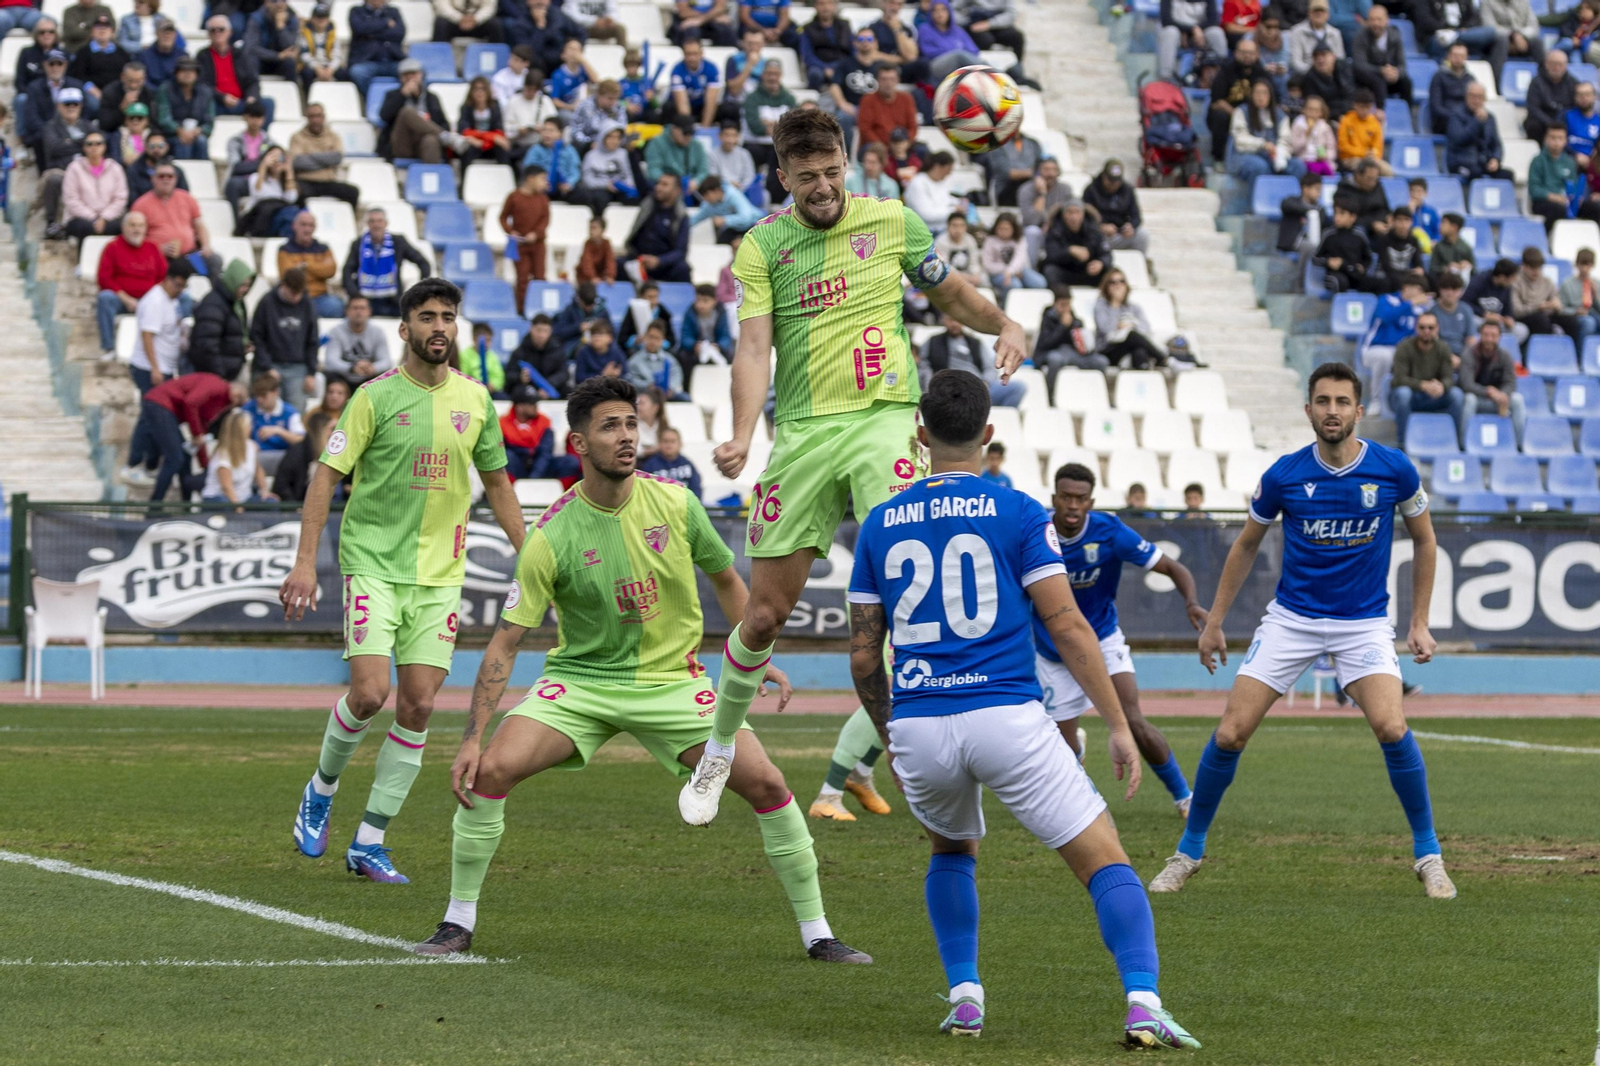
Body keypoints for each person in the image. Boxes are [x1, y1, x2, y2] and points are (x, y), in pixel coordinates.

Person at [411, 372, 877, 964]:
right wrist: (473, 738)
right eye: (610, 427)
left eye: (632, 423)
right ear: (578, 444)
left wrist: (758, 659)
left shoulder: (677, 504)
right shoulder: (549, 536)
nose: (627, 436)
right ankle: (457, 923)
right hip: (580, 685)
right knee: (489, 774)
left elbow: (730, 581)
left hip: (674, 685)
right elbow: (504, 644)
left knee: (770, 786)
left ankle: (819, 934)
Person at [679, 108, 1030, 829]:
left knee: (910, 596)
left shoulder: (891, 222)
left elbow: (949, 290)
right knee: (765, 613)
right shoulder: (762, 248)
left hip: (883, 420)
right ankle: (720, 747)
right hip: (804, 432)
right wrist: (743, 434)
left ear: (848, 162)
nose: (824, 187)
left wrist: (1007, 324)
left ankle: (930, 743)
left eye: (833, 171)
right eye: (807, 177)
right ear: (782, 178)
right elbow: (752, 348)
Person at [844, 370, 1200, 1047]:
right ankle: (1144, 1002)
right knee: (1105, 859)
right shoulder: (1018, 512)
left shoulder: (881, 522)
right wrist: (1119, 725)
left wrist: (892, 736)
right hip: (1006, 714)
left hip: (920, 721)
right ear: (988, 434)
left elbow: (865, 656)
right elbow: (1067, 625)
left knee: (951, 851)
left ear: (919, 436)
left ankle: (966, 996)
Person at [1147, 362, 1454, 902]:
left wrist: (1419, 621)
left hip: (1362, 623)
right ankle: (1188, 853)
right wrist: (1214, 622)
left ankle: (1429, 855)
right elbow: (1245, 545)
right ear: (1308, 410)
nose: (1332, 410)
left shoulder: (1394, 470)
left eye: (1342, 402)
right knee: (1229, 734)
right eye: (1322, 401)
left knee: (1391, 726)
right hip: (1292, 620)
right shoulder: (1285, 475)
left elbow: (1425, 541)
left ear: (1358, 411)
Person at [281, 278, 527, 884]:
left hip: (440, 576)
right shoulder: (373, 397)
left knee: (417, 707)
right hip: (373, 565)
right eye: (427, 317)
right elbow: (325, 478)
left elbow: (497, 485)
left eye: (448, 316)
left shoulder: (475, 401)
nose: (438, 326)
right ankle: (320, 789)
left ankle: (370, 840)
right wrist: (306, 561)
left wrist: (532, 556)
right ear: (405, 328)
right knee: (369, 695)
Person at [1033, 460, 1205, 814]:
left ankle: (1184, 797)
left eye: (1081, 498)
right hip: (1054, 650)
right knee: (1060, 745)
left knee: (1133, 720)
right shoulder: (1036, 532)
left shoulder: (1110, 532)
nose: (1073, 505)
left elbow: (1171, 566)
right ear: (1055, 498)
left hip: (1103, 639)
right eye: (1066, 497)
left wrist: (1191, 602)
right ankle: (1080, 776)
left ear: (1091, 502)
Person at [120, 373, 247, 499]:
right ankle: (154, 507)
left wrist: (205, 465)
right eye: (238, 399)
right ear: (236, 393)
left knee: (185, 457)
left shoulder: (220, 399)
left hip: (165, 409)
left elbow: (200, 428)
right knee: (175, 459)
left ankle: (186, 505)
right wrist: (197, 434)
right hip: (160, 405)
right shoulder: (218, 386)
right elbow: (191, 403)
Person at [94, 211, 166, 357]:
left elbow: (163, 278)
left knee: (183, 298)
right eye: (132, 225)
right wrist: (126, 299)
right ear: (123, 227)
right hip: (121, 300)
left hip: (149, 300)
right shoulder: (112, 247)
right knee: (104, 298)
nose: (137, 229)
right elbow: (104, 279)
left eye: (141, 225)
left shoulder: (153, 248)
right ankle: (109, 348)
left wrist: (151, 300)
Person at [251, 268, 320, 414]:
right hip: (269, 365)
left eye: (299, 294)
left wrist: (311, 372)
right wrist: (267, 366)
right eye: (293, 293)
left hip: (297, 366)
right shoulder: (267, 302)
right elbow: (257, 337)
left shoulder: (307, 304)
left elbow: (312, 340)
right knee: (266, 408)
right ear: (283, 285)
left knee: (295, 412)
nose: (296, 298)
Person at [1389, 310, 1464, 444]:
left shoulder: (1443, 348)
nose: (1426, 331)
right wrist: (1424, 385)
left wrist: (1442, 386)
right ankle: (1403, 443)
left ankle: (1454, 441)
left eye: (1431, 327)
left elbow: (1449, 378)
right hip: (1412, 396)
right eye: (1422, 327)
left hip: (1435, 395)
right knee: (1403, 393)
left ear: (1437, 329)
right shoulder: (1404, 346)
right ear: (1416, 328)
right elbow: (1398, 379)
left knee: (1456, 395)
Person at [343, 207, 433, 316]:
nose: (376, 225)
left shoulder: (398, 242)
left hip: (393, 301)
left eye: (379, 221)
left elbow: (423, 263)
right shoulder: (358, 244)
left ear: (386, 223)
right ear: (367, 224)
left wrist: (419, 291)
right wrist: (355, 295)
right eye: (372, 221)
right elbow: (347, 270)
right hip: (365, 301)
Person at [923, 312, 1027, 407]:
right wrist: (932, 385)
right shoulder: (933, 342)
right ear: (944, 320)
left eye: (958, 320)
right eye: (951, 320)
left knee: (1017, 388)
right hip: (950, 390)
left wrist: (985, 382)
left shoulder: (975, 343)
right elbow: (923, 366)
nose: (954, 324)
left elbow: (989, 367)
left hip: (978, 387)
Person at [130, 161, 211, 270]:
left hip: (190, 254)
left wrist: (206, 245)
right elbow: (134, 236)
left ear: (176, 179)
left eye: (170, 176)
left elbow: (199, 224)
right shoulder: (141, 205)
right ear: (152, 179)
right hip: (158, 257)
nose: (166, 179)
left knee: (213, 261)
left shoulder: (187, 198)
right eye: (161, 176)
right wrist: (158, 248)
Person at [187, 257, 256, 382]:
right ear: (233, 280)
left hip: (233, 370)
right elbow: (207, 345)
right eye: (243, 284)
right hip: (217, 376)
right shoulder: (213, 304)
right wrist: (220, 376)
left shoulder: (237, 302)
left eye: (249, 285)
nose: (246, 289)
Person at [378, 58, 457, 162]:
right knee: (407, 112)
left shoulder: (431, 98)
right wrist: (403, 94)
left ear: (420, 75)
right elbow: (384, 116)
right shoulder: (393, 95)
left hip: (422, 143)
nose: (410, 78)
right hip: (401, 143)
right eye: (406, 75)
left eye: (413, 74)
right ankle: (445, 137)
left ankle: (431, 176)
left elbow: (443, 123)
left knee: (431, 140)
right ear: (401, 78)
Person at [1458, 319, 1526, 438]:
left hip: (1498, 399)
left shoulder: (1505, 356)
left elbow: (1510, 382)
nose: (1489, 339)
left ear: (1499, 337)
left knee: (1517, 400)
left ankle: (1519, 444)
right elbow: (1466, 384)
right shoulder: (1469, 354)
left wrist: (1503, 394)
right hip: (1478, 397)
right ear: (1480, 336)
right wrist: (1488, 392)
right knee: (1469, 399)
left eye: (1493, 336)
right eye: (1486, 335)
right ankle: (1465, 441)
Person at [131, 258, 190, 393]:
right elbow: (147, 335)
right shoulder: (155, 301)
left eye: (183, 286)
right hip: (149, 369)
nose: (180, 290)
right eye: (178, 285)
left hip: (166, 368)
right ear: (168, 279)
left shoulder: (172, 300)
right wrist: (155, 368)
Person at [198, 16, 272, 122]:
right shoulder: (202, 56)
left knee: (268, 104)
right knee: (203, 106)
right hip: (217, 103)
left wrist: (251, 97)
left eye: (221, 29)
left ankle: (257, 138)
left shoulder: (240, 54)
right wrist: (222, 97)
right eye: (213, 30)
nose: (217, 33)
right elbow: (203, 85)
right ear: (208, 34)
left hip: (242, 102)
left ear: (230, 32)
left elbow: (252, 81)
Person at [1208, 37, 1268, 167]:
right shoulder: (1225, 70)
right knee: (1219, 116)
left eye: (1251, 53)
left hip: (1255, 115)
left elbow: (1271, 100)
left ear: (1257, 54)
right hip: (1229, 114)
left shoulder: (1262, 73)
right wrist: (1239, 115)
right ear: (1236, 53)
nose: (1247, 56)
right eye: (1243, 52)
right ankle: (1219, 159)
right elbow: (1217, 101)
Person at [742, 60, 796, 203]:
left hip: (778, 145)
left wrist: (769, 125)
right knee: (752, 152)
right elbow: (755, 126)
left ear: (781, 75)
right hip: (756, 144)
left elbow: (792, 126)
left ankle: (779, 199)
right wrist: (778, 125)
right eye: (769, 74)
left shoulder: (788, 98)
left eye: (776, 74)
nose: (772, 77)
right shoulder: (752, 98)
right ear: (763, 75)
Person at [623, 173, 692, 284]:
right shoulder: (648, 204)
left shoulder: (681, 216)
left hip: (664, 266)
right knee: (617, 264)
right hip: (639, 261)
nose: (658, 187)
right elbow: (640, 182)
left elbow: (680, 251)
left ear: (676, 191)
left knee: (682, 269)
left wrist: (659, 261)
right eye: (658, 183)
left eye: (664, 185)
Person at [497, 383, 576, 478]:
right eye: (531, 404)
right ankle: (508, 491)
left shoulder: (544, 422)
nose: (536, 406)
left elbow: (545, 454)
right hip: (517, 467)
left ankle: (563, 492)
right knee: (507, 456)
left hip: (540, 467)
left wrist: (534, 478)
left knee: (570, 462)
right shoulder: (503, 423)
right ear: (519, 407)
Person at [289, 103, 361, 208]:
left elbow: (337, 158)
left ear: (323, 117)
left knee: (352, 192)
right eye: (312, 116)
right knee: (297, 194)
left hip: (328, 182)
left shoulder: (333, 136)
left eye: (318, 116)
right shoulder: (297, 137)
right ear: (307, 118)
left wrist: (309, 155)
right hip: (306, 182)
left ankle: (349, 222)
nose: (315, 120)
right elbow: (298, 162)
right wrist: (326, 161)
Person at [61, 129, 127, 242]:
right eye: (89, 144)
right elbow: (71, 199)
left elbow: (120, 198)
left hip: (108, 218)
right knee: (85, 228)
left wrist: (104, 217)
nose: (94, 147)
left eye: (98, 143)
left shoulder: (115, 168)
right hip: (80, 218)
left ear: (104, 146)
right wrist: (93, 218)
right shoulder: (74, 168)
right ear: (84, 147)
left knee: (123, 228)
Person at [1231, 78, 1303, 181]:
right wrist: (1262, 144)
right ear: (1251, 94)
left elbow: (1285, 140)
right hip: (1246, 155)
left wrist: (1279, 153)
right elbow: (1240, 139)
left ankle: (1290, 196)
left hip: (1274, 154)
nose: (1261, 97)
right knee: (1259, 167)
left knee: (1298, 166)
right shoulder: (1241, 111)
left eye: (1265, 93)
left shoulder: (1280, 115)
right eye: (1257, 93)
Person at [1093, 270, 1167, 370]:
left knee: (1140, 351)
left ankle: (1141, 378)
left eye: (1121, 281)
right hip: (1108, 350)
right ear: (1107, 286)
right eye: (1113, 282)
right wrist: (1115, 304)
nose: (1117, 286)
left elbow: (1146, 329)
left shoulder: (1134, 308)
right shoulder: (1101, 306)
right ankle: (1163, 358)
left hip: (1129, 349)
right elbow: (1106, 330)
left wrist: (1132, 325)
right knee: (1131, 335)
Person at [1530, 125, 1600, 229]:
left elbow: (1574, 186)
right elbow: (1534, 190)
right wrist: (1555, 197)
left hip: (1567, 202)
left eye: (1560, 138)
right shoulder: (1537, 161)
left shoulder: (1570, 162)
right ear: (1546, 138)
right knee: (1558, 209)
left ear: (1565, 140)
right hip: (1544, 202)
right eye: (1553, 137)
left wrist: (1576, 199)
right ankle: (1547, 239)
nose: (1556, 142)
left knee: (1594, 208)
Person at [501, 166, 550, 313]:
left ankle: (539, 310)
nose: (545, 183)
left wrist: (536, 234)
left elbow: (545, 220)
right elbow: (503, 217)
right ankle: (522, 310)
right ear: (530, 178)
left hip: (538, 245)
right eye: (542, 179)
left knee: (539, 277)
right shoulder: (514, 197)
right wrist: (511, 232)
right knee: (522, 279)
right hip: (519, 245)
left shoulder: (543, 199)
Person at [278, 211, 342, 318]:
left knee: (337, 306)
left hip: (319, 298)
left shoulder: (323, 249)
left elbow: (330, 270)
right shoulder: (284, 250)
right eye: (303, 224)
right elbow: (288, 275)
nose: (307, 229)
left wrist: (305, 266)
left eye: (310, 225)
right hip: (295, 297)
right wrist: (317, 271)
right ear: (294, 226)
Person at [1512, 246, 1583, 342]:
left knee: (1571, 321)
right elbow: (1517, 311)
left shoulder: (1547, 282)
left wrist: (1556, 305)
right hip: (1527, 317)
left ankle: (1571, 352)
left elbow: (1557, 302)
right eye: (1532, 268)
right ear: (1524, 266)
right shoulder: (1515, 282)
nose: (1536, 272)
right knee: (1541, 319)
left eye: (1539, 268)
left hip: (1546, 315)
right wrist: (1538, 307)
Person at [1035, 286, 1100, 386]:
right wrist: (1062, 326)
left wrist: (1076, 327)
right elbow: (1046, 343)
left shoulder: (1074, 319)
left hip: (1071, 353)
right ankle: (1049, 396)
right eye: (1062, 305)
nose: (1066, 308)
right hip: (1051, 352)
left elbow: (1080, 341)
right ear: (1055, 303)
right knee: (1055, 360)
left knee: (1100, 361)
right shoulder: (1047, 318)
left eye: (1068, 304)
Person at [152, 57, 213, 161]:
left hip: (195, 134)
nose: (187, 74)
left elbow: (209, 124)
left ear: (197, 74)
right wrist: (179, 131)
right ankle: (180, 175)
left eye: (191, 71)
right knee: (183, 143)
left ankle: (203, 174)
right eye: (183, 71)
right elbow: (164, 119)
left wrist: (197, 131)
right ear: (176, 73)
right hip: (170, 135)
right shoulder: (165, 89)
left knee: (201, 141)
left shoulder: (206, 92)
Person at [1082, 160, 1149, 254]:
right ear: (1103, 176)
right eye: (1110, 180)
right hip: (1099, 234)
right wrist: (1100, 227)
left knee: (1142, 236)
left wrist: (1131, 226)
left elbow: (1136, 216)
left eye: (1117, 181)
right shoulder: (1091, 190)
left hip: (1120, 233)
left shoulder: (1127, 190)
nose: (1114, 184)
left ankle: (1141, 263)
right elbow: (1084, 218)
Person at [1041, 199, 1111, 290]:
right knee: (1050, 271)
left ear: (1083, 214)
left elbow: (1106, 254)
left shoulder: (1094, 229)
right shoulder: (1054, 230)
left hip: (1089, 272)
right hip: (1065, 271)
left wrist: (1101, 263)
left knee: (1110, 272)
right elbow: (1051, 255)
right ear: (1063, 214)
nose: (1074, 217)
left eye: (1077, 212)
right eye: (1069, 212)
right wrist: (1069, 250)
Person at [1350, 4, 1412, 104]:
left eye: (1379, 19)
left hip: (1389, 79)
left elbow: (1402, 65)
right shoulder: (1360, 36)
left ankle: (1407, 114)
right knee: (1377, 81)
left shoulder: (1395, 36)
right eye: (1372, 20)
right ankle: (1379, 112)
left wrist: (1396, 72)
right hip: (1368, 80)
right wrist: (1380, 71)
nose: (1376, 23)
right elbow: (1359, 65)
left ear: (1387, 20)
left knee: (1406, 82)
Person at [324, 295, 393, 382]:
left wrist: (373, 368)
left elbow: (386, 361)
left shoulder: (378, 332)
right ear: (346, 311)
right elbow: (330, 361)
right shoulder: (335, 331)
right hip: (343, 379)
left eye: (362, 308)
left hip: (369, 379)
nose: (359, 312)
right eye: (355, 308)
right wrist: (351, 368)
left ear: (369, 311)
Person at [1446, 81, 1507, 181]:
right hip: (1460, 163)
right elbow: (1459, 139)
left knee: (1506, 175)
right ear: (1466, 97)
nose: (1476, 100)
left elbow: (1496, 144)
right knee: (1475, 173)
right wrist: (1477, 122)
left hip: (1482, 163)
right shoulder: (1456, 115)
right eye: (1473, 96)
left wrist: (1496, 159)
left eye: (1480, 97)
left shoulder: (1489, 118)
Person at [346, 0, 406, 97]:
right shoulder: (357, 11)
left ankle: (404, 100)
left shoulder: (393, 11)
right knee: (357, 72)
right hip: (367, 62)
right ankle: (374, 98)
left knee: (417, 70)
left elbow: (399, 33)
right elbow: (360, 29)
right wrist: (385, 23)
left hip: (393, 61)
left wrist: (372, 34)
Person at [982, 212, 1046, 303]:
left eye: (1006, 229)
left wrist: (1010, 271)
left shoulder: (1020, 239)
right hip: (997, 273)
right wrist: (1008, 271)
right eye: (1001, 228)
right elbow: (987, 264)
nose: (1003, 231)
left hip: (1017, 270)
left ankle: (1031, 305)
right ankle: (1005, 308)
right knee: (1014, 285)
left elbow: (1019, 259)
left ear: (1013, 228)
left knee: (1040, 283)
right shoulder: (990, 240)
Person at [273, 409, 335, 502]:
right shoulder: (297, 452)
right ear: (321, 430)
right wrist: (294, 506)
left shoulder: (333, 452)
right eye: (330, 429)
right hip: (298, 505)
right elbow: (281, 486)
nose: (333, 433)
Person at [1313, 197, 1373, 293]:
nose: (1337, 217)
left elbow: (1368, 258)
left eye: (1342, 213)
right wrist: (1328, 262)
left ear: (1353, 217)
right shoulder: (1328, 234)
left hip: (1353, 273)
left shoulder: (1360, 235)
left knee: (1376, 283)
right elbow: (1315, 258)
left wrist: (1363, 267)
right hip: (1334, 275)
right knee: (1340, 282)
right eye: (1335, 213)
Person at [577, 123, 640, 212]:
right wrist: (605, 185)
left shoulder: (623, 154)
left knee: (634, 199)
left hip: (621, 188)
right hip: (600, 189)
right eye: (611, 137)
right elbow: (587, 179)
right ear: (603, 137)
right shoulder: (591, 155)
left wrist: (627, 184)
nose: (614, 141)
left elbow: (629, 174)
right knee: (599, 199)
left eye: (617, 137)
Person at [904, 151, 970, 235]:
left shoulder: (941, 182)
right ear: (937, 166)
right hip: (924, 231)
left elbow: (945, 200)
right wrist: (953, 210)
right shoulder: (918, 183)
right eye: (948, 170)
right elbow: (926, 214)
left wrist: (959, 202)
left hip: (943, 229)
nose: (949, 174)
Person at [1159, 0, 1228, 80]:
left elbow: (1213, 20)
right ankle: (1165, 77)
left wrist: (1198, 30)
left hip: (1201, 33)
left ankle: (1222, 74)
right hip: (1179, 32)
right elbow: (1166, 21)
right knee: (1169, 32)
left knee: (1216, 32)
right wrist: (1191, 30)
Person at [237, 144, 295, 237]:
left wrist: (289, 171)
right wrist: (263, 166)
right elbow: (258, 195)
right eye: (272, 157)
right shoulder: (255, 177)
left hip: (278, 218)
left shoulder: (285, 182)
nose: (276, 161)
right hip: (259, 218)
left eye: (279, 157)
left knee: (292, 212)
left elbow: (291, 199)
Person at [678, 283, 733, 378]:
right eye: (698, 300)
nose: (701, 305)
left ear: (714, 301)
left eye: (705, 301)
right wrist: (694, 345)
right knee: (683, 356)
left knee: (730, 354)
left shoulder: (720, 313)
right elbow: (685, 337)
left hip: (715, 347)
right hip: (696, 348)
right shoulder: (690, 313)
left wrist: (719, 346)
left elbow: (725, 336)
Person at [456, 74, 513, 167]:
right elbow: (464, 131)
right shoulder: (466, 108)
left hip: (491, 145)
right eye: (476, 89)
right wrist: (489, 137)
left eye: (483, 89)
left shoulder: (495, 107)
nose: (479, 92)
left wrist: (487, 140)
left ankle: (505, 178)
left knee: (503, 148)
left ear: (488, 91)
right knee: (467, 150)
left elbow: (499, 130)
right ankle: (465, 180)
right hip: (474, 144)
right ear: (471, 92)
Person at [918, 0, 980, 83]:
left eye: (943, 9)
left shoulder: (958, 30)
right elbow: (929, 52)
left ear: (949, 12)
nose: (940, 13)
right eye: (935, 10)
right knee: (958, 56)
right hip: (935, 65)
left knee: (962, 58)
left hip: (959, 66)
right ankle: (992, 71)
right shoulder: (925, 29)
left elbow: (974, 50)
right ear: (930, 13)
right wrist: (954, 52)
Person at [644, 114, 710, 191]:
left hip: (691, 189)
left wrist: (696, 181)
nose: (688, 137)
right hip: (666, 187)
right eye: (685, 133)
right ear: (674, 129)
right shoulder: (657, 143)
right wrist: (669, 181)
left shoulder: (697, 145)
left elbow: (704, 171)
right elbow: (653, 170)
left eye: (691, 133)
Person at [520, 118, 582, 200]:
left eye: (551, 131)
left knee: (582, 195)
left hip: (563, 189)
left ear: (560, 133)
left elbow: (575, 171)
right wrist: (542, 183)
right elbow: (529, 169)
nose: (546, 134)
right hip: (542, 189)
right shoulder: (535, 149)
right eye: (544, 130)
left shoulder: (570, 150)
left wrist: (569, 184)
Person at [244, 371, 305, 453]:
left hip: (282, 456)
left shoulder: (290, 412)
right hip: (255, 453)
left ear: (276, 393)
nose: (259, 400)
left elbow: (300, 440)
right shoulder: (248, 408)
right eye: (257, 395)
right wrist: (249, 444)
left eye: (263, 395)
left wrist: (279, 431)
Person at [509, 313, 569, 396]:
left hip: (553, 387)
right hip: (528, 389)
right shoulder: (520, 351)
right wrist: (520, 377)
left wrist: (548, 385)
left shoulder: (558, 350)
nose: (541, 335)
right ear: (531, 329)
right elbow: (509, 374)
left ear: (550, 331)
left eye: (545, 331)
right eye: (538, 330)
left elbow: (563, 373)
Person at [626, 319, 688, 398]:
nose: (653, 341)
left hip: (667, 394)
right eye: (651, 337)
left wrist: (670, 388)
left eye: (657, 338)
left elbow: (677, 376)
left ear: (662, 340)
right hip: (644, 395)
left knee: (685, 398)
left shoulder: (670, 360)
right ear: (644, 337)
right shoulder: (634, 361)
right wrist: (647, 386)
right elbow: (631, 380)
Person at [1370, 206, 1426, 292]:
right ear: (1393, 221)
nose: (1403, 224)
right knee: (1390, 282)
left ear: (1411, 222)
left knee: (1428, 279)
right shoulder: (1383, 240)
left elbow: (1418, 262)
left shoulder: (1414, 240)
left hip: (1405, 275)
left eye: (1406, 220)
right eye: (1399, 220)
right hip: (1386, 276)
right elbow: (1386, 267)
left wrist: (1419, 269)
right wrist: (1409, 273)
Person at [1524, 49, 1576, 143]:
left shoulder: (1573, 82)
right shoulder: (1536, 82)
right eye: (1553, 63)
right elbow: (1533, 108)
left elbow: (1575, 105)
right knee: (1533, 125)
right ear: (1546, 64)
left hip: (1564, 120)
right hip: (1542, 121)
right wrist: (1551, 124)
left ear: (1566, 66)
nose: (1557, 67)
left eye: (1560, 64)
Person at [69, 14, 131, 92]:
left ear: (112, 32)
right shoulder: (83, 53)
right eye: (98, 26)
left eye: (106, 26)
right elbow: (78, 75)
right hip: (90, 92)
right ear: (92, 31)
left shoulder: (122, 53)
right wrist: (91, 89)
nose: (102, 29)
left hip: (117, 92)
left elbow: (127, 74)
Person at [638, 424, 702, 498]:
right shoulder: (650, 465)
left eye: (673, 441)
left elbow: (696, 489)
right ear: (659, 443)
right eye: (665, 441)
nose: (669, 445)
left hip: (684, 505)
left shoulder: (687, 464)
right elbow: (645, 491)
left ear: (680, 444)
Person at [1482, 0, 1545, 74]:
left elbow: (1534, 27)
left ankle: (1544, 77)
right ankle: (1495, 83)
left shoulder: (1524, 2)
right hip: (1497, 41)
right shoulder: (1486, 2)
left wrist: (1520, 35)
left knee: (1537, 42)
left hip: (1521, 41)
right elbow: (1489, 27)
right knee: (1502, 41)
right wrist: (1512, 35)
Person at [567, 77, 626, 156]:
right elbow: (575, 130)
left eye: (616, 98)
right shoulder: (585, 106)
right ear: (599, 95)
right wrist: (589, 143)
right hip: (587, 147)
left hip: (612, 146)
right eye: (610, 98)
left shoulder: (618, 107)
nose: (613, 102)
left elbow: (622, 128)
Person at [245, 0, 301, 80]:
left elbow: (289, 47)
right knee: (250, 61)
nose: (279, 4)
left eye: (283, 1)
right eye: (274, 1)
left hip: (280, 63)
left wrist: (281, 27)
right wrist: (277, 56)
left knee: (290, 63)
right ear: (266, 2)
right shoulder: (256, 19)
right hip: (262, 60)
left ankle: (291, 89)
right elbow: (251, 48)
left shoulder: (292, 19)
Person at [1337, 88, 1389, 174]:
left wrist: (1374, 155)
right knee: (1363, 168)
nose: (1364, 110)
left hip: (1370, 159)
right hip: (1350, 158)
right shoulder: (1346, 120)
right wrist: (1363, 153)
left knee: (1388, 171)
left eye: (1368, 107)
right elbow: (1343, 146)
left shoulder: (1374, 123)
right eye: (1362, 107)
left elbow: (1377, 146)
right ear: (1355, 105)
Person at [505, 71, 559, 154]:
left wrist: (543, 129)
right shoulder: (513, 101)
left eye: (533, 90)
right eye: (528, 88)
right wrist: (518, 130)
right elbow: (506, 128)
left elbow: (555, 126)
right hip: (519, 146)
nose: (530, 92)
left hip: (542, 146)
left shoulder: (546, 101)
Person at [1427, 42, 1474, 135]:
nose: (1458, 59)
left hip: (1464, 120)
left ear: (1466, 57)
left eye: (1461, 56)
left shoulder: (1470, 79)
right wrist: (1455, 117)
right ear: (1448, 56)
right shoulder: (1439, 77)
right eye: (1455, 55)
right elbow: (1436, 107)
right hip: (1445, 121)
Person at [1277, 171, 1329, 256]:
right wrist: (1309, 211)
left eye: (1320, 190)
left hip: (1313, 240)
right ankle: (1302, 270)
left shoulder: (1320, 209)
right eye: (1316, 189)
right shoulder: (1291, 201)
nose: (1319, 193)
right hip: (1292, 241)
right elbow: (1286, 205)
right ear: (1305, 189)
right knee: (1309, 247)